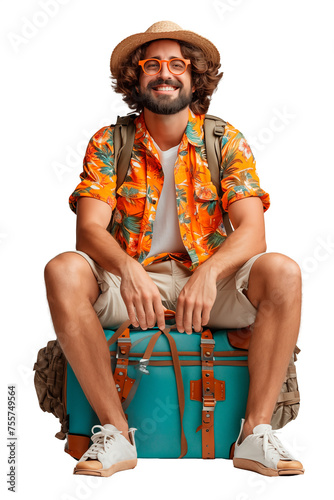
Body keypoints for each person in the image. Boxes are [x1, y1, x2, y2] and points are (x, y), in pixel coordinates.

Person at [44, 20, 304, 477]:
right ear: (136, 77)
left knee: (283, 270)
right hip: (130, 286)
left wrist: (209, 273)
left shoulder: (224, 141)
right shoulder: (110, 142)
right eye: (152, 64)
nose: (165, 73)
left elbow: (252, 230)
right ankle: (116, 434)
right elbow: (89, 230)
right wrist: (127, 269)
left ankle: (255, 434)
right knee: (62, 269)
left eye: (177, 64)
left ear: (194, 77)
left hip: (207, 290)